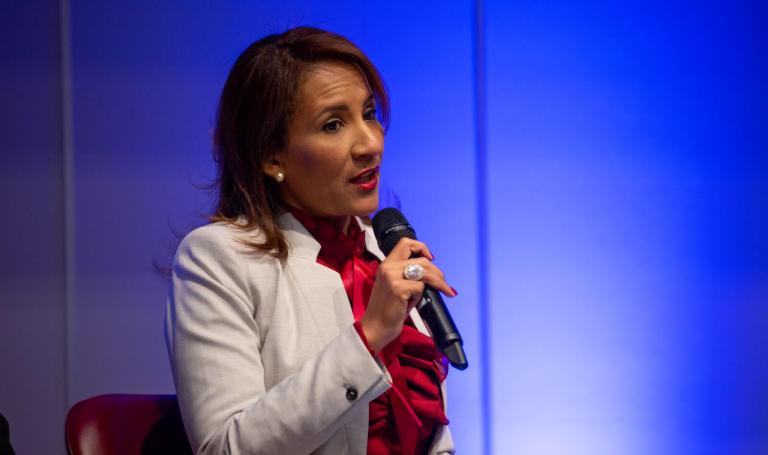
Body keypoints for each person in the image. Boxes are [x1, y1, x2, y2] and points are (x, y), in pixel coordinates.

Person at [165, 27, 457, 455]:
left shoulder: (381, 249)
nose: (371, 144)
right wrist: (370, 334)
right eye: (333, 124)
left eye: (369, 113)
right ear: (271, 156)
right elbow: (225, 447)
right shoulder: (217, 257)